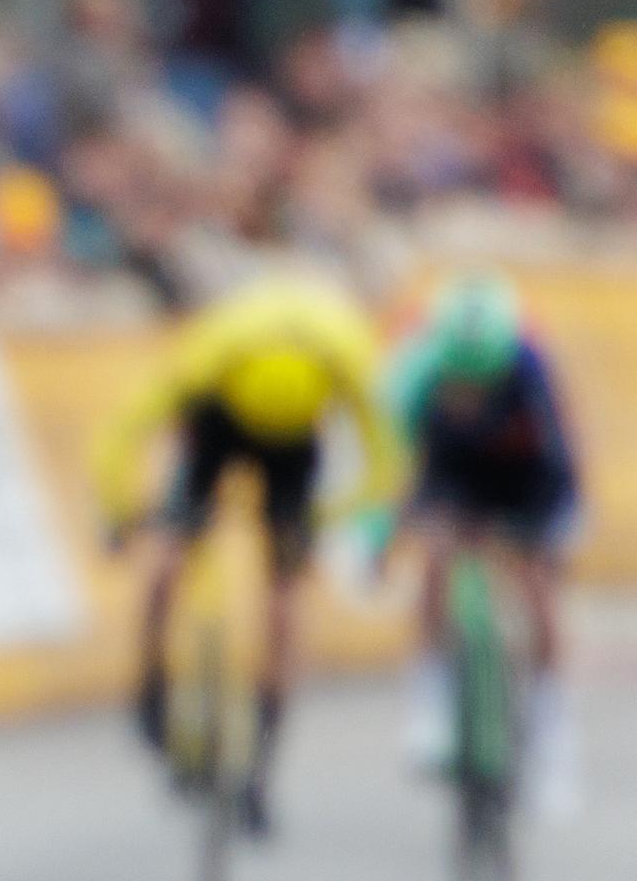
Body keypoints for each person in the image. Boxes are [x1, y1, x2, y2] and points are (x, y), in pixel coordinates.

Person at [93, 276, 399, 835]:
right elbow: (386, 460)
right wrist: (121, 510)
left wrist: (117, 513)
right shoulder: (214, 354)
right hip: (218, 429)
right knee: (176, 557)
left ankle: (250, 758)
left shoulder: (343, 355)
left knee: (276, 592)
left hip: (292, 450)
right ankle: (154, 696)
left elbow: (126, 431)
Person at [386, 273, 580, 815]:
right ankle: (431, 698)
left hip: (526, 480)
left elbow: (560, 470)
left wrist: (541, 536)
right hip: (456, 476)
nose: (467, 394)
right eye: (458, 385)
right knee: (437, 560)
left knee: (540, 591)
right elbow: (402, 467)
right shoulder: (422, 374)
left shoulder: (531, 374)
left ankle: (552, 737)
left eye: (480, 384)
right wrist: (392, 531)